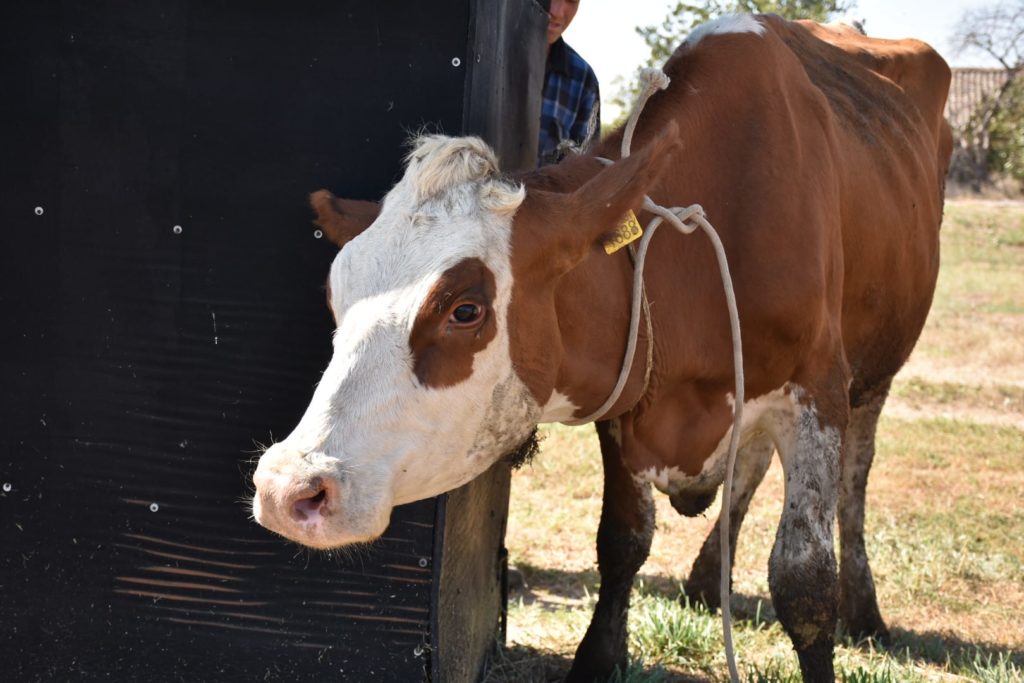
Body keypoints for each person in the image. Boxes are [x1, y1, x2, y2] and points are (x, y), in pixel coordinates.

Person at [538, 0, 600, 165]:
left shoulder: (583, 80)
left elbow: (582, 174)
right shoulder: (478, 49)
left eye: (571, 1)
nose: (557, 12)